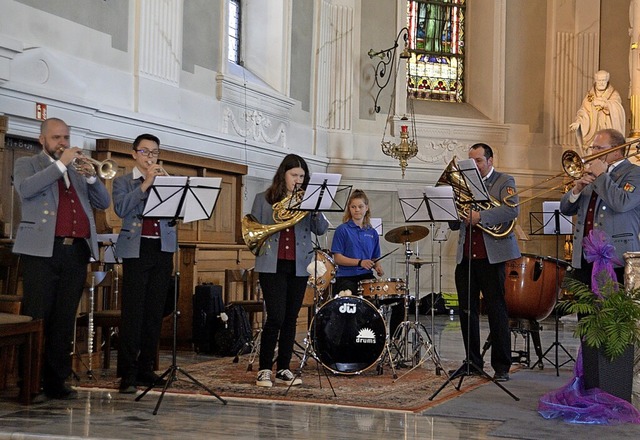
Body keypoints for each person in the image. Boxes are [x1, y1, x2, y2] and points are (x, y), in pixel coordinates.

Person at [13, 117, 111, 400]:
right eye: (56, 138)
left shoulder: (78, 169)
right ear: (42, 139)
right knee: (38, 318)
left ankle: (57, 381)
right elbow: (27, 190)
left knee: (64, 320)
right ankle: (30, 383)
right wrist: (59, 164)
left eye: (66, 137)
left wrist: (93, 177)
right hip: (42, 252)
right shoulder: (28, 164)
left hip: (76, 252)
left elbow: (103, 203)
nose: (63, 143)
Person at [252, 154, 329, 387]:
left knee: (290, 318)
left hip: (298, 265)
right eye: (294, 175)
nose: (298, 179)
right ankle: (264, 368)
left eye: (302, 176)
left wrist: (314, 207)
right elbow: (254, 229)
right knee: (275, 316)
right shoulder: (264, 198)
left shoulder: (309, 200)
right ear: (283, 175)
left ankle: (283, 368)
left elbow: (321, 229)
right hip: (271, 264)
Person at [112, 133, 177, 394]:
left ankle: (146, 368)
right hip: (136, 250)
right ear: (134, 154)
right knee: (133, 312)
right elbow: (121, 208)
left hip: (162, 249)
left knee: (153, 312)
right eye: (145, 152)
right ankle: (127, 373)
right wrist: (146, 184)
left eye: (154, 152)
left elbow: (180, 213)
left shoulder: (169, 181)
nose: (150, 157)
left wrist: (168, 186)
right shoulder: (123, 182)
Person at [450, 143, 520, 382]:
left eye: (478, 161)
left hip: (492, 257)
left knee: (496, 310)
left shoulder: (504, 181)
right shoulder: (464, 184)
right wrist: (450, 208)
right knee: (466, 311)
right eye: (470, 162)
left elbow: (511, 211)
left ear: (490, 160)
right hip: (466, 256)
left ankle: (502, 366)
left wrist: (480, 216)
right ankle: (472, 362)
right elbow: (454, 222)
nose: (474, 166)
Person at [560, 128, 640, 288]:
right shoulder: (592, 173)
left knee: (611, 311)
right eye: (593, 148)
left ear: (616, 150)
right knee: (585, 311)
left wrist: (602, 176)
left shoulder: (634, 173)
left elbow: (622, 203)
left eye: (598, 148)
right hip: (585, 256)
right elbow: (566, 210)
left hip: (615, 256)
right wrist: (577, 190)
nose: (593, 152)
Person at [331, 189, 384, 296]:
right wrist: (360, 262)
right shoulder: (342, 230)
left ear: (366, 208)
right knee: (348, 294)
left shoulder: (372, 232)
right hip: (346, 276)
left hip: (366, 276)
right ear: (349, 209)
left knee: (383, 294)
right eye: (353, 207)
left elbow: (374, 258)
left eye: (360, 206)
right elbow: (337, 258)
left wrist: (377, 267)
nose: (357, 210)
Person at [570, 70, 626, 150]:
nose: (601, 83)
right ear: (595, 80)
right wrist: (579, 123)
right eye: (599, 80)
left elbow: (619, 110)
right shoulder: (589, 96)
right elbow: (583, 112)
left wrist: (605, 104)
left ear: (607, 80)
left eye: (603, 80)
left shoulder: (614, 94)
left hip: (608, 130)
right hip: (593, 135)